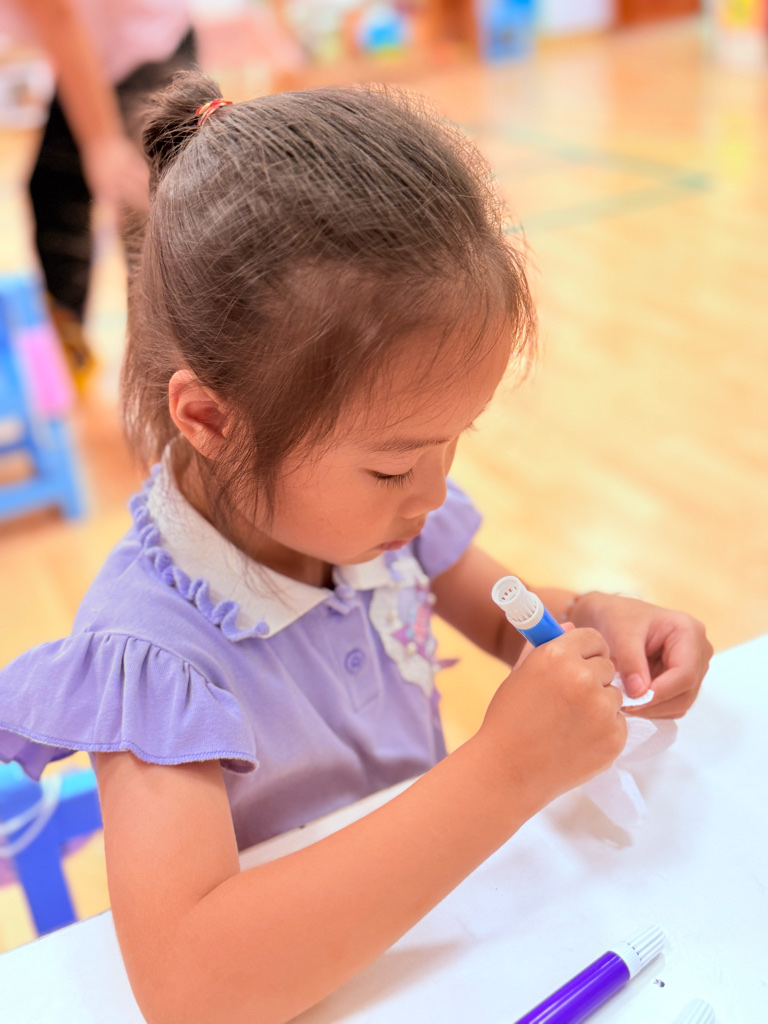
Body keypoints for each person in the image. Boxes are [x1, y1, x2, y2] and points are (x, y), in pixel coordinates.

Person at [0, 72, 712, 1024]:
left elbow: (511, 618)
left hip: (440, 953)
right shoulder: (154, 657)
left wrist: (593, 622)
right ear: (212, 420)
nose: (433, 493)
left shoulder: (373, 522)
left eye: (453, 444)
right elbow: (191, 986)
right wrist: (504, 771)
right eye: (394, 466)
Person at [1, 0, 195, 386]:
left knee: (149, 219)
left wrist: (101, 140)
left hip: (140, 46)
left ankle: (174, 379)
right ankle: (66, 367)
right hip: (83, 52)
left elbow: (57, 14)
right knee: (55, 200)